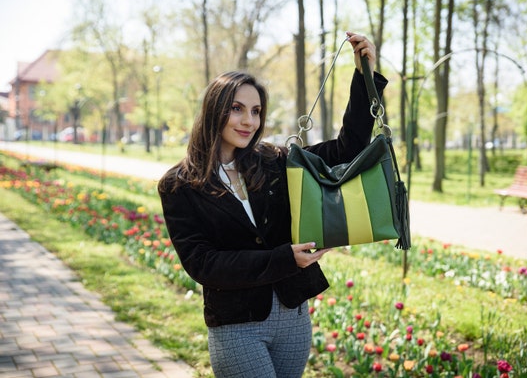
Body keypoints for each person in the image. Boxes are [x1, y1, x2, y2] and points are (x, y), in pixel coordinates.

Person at [157, 32, 388, 378]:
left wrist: (363, 76)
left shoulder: (275, 160)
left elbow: (347, 149)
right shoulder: (179, 185)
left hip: (294, 317)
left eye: (255, 111)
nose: (249, 121)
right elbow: (203, 264)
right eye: (236, 109)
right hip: (236, 325)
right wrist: (284, 259)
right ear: (213, 110)